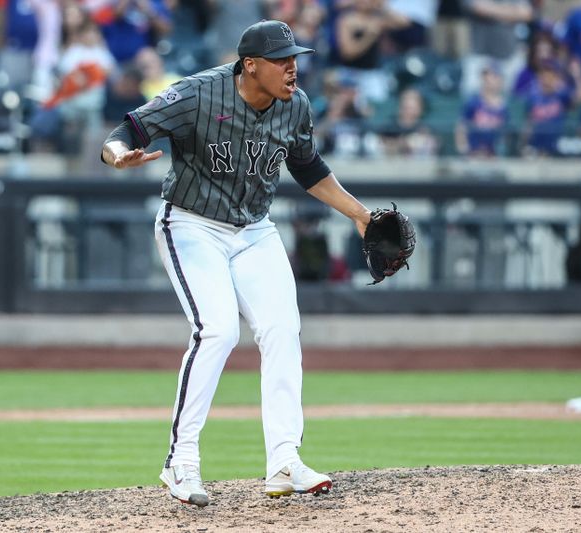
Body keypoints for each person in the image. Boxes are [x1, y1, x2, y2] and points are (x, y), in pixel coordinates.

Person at [101, 19, 376, 507]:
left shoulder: (297, 106)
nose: (293, 67)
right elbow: (130, 128)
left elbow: (308, 167)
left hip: (254, 230)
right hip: (190, 224)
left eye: (295, 58)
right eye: (281, 59)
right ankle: (180, 462)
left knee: (281, 328)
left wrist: (360, 213)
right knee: (218, 330)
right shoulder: (199, 93)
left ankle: (285, 462)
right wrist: (117, 154)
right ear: (250, 65)